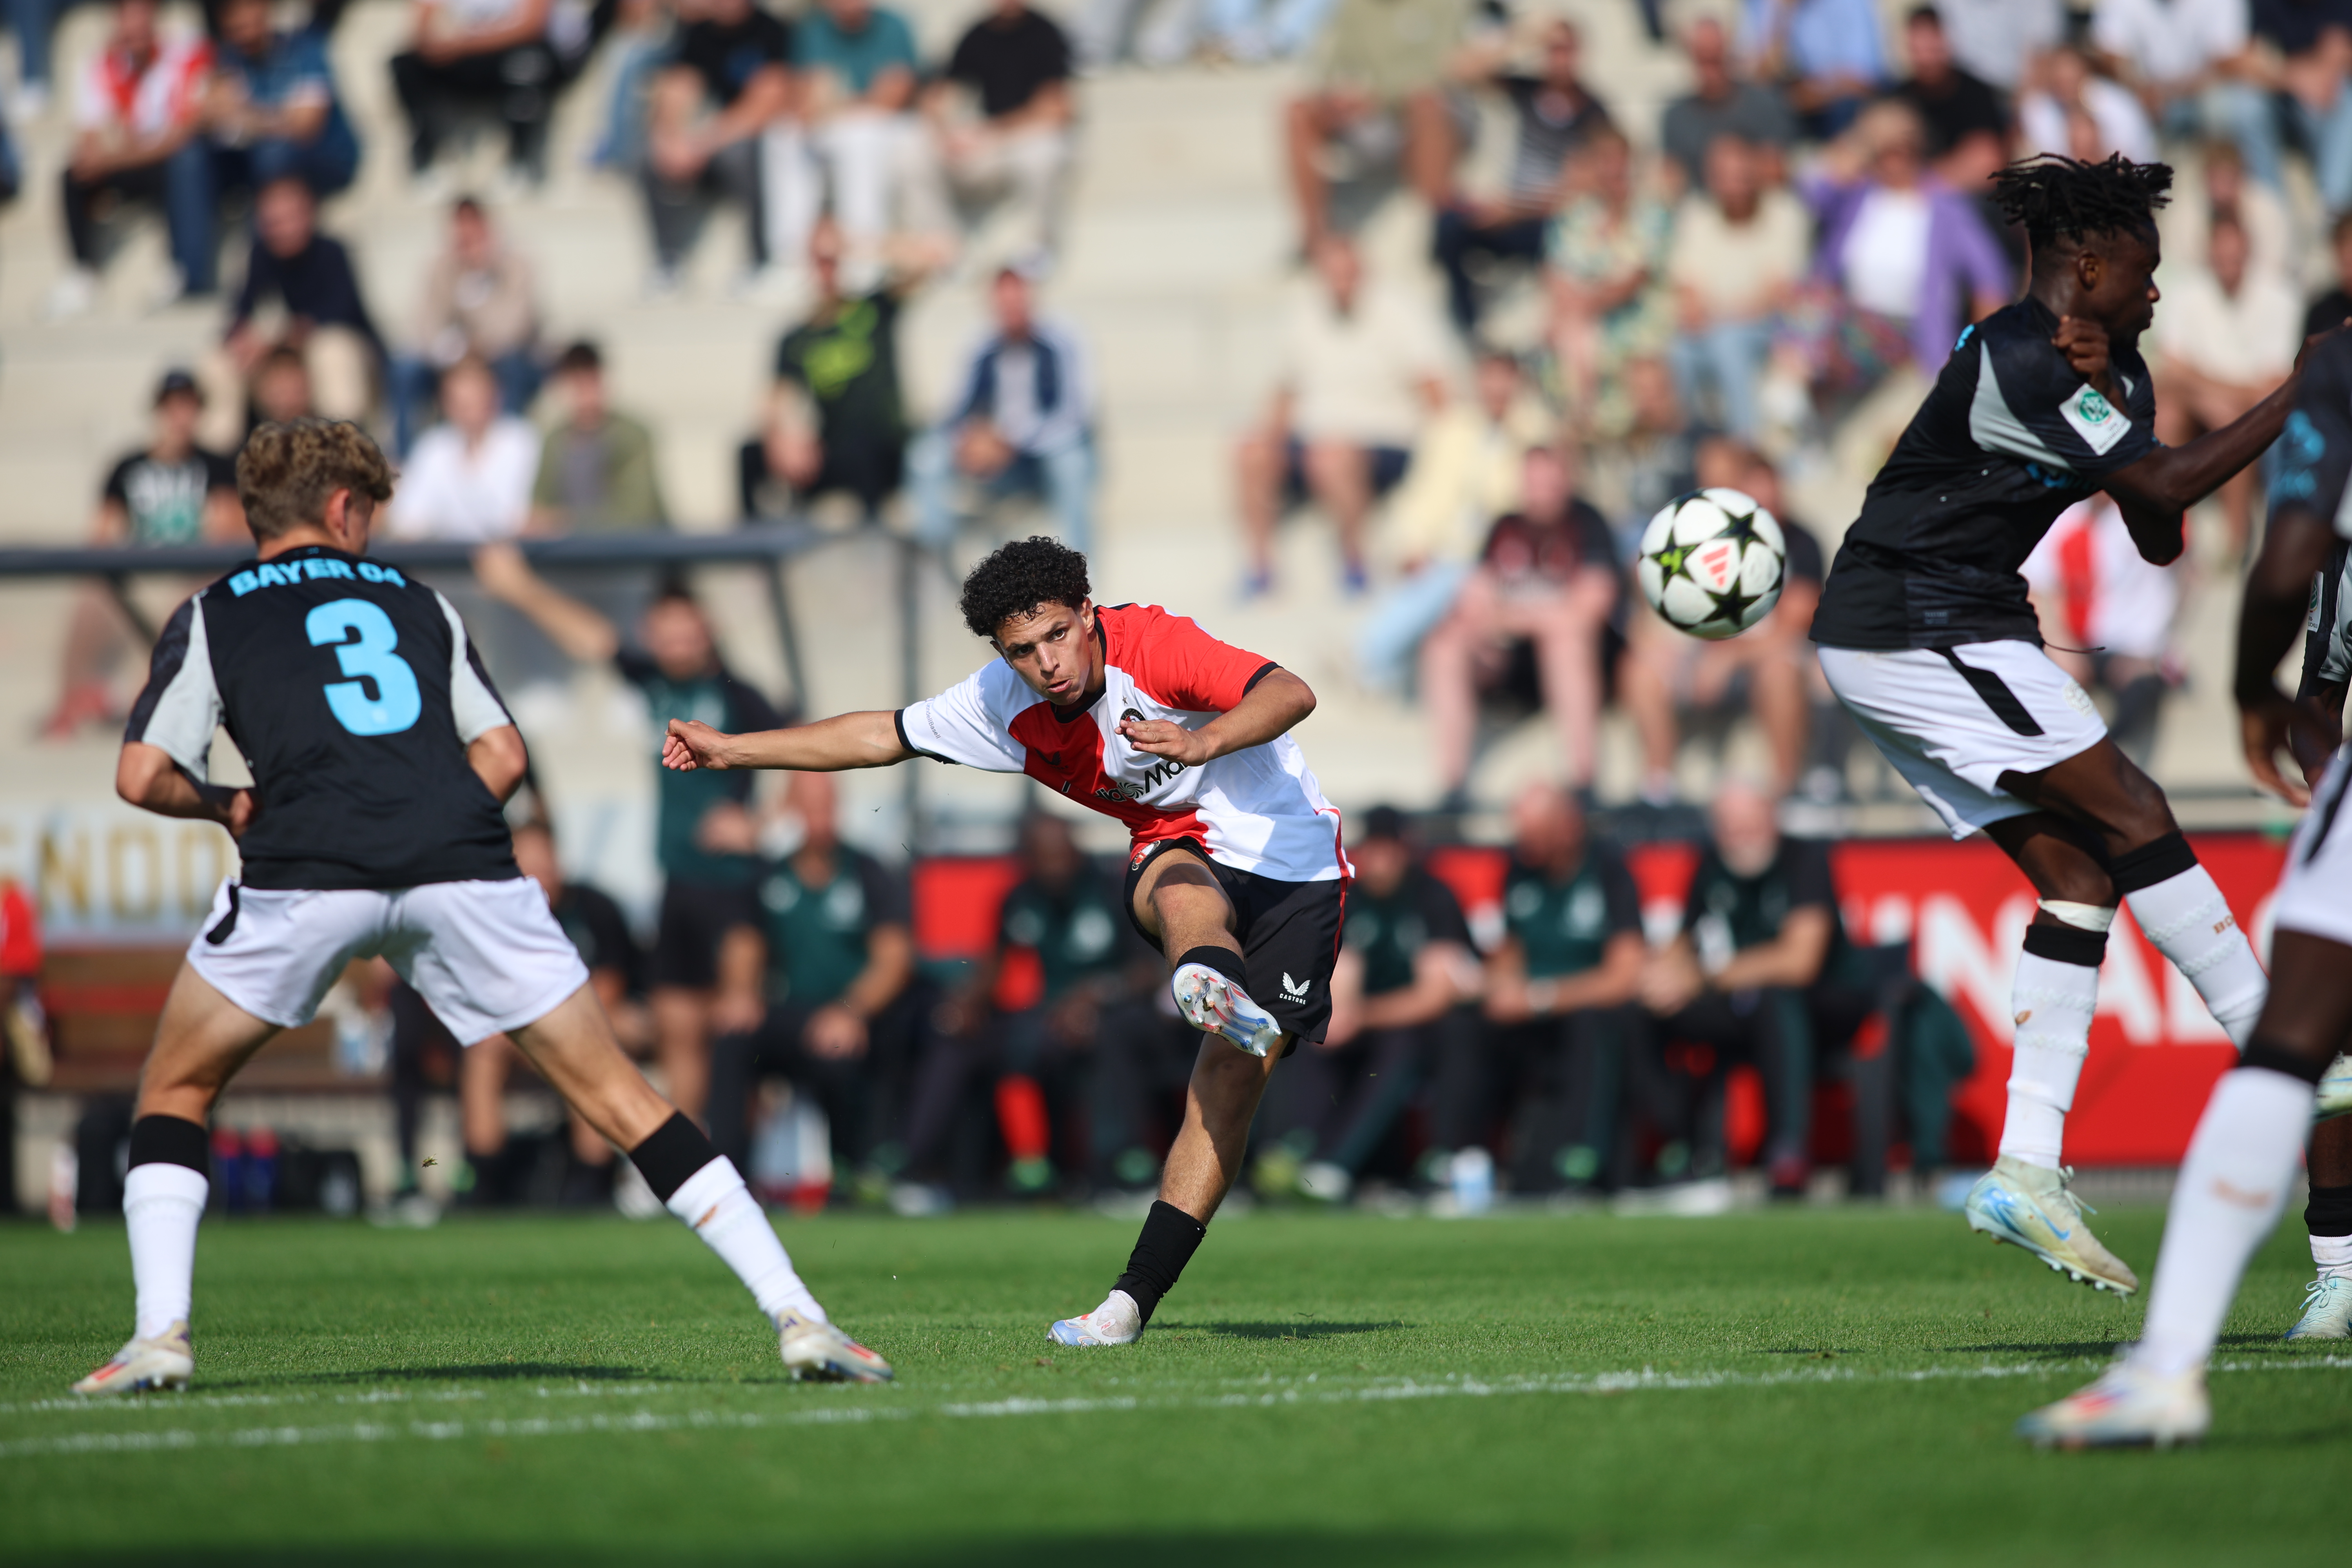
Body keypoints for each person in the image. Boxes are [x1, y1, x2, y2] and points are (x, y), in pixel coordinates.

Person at [70, 417, 888, 1399]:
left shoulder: (213, 611)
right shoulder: (420, 603)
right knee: (627, 1100)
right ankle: (801, 1315)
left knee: (176, 1090)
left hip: (305, 865)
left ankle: (161, 1335)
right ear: (344, 508)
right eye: (368, 513)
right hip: (462, 863)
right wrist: (424, 816)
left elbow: (139, 773)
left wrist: (227, 803)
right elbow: (502, 754)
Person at [1809, 153, 2307, 1298]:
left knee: (2081, 867)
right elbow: (2173, 491)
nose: (2154, 291)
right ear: (2086, 262)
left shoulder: (2090, 363)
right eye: (2141, 270)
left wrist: (2131, 396)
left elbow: (2153, 532)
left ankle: (2024, 1165)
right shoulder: (2024, 358)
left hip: (1929, 626)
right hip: (1920, 622)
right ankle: (2286, 1054)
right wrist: (2299, 393)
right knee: (2136, 808)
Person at [659, 535, 1346, 1349]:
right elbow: (881, 734)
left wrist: (1200, 740)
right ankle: (1200, 995)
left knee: (1228, 1092)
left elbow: (1290, 693)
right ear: (1001, 652)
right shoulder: (1000, 702)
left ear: (1088, 615)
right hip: (1179, 842)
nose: (1048, 661)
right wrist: (735, 749)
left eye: (1058, 633)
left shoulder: (1155, 646)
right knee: (1176, 880)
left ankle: (1210, 998)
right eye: (1022, 649)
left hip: (1296, 862)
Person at [2015, 321, 2352, 1446]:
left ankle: (2168, 1371)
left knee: (2295, 1036)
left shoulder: (2340, 361)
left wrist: (2254, 688)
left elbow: (2295, 554)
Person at [471, 544, 788, 1124]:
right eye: (664, 635)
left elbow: (809, 755)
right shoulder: (655, 687)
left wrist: (761, 823)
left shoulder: (739, 696)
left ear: (707, 630)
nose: (676, 645)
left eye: (686, 633)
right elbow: (591, 640)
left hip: (732, 889)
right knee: (678, 1033)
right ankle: (697, 1168)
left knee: (735, 1029)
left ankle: (742, 1160)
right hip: (678, 885)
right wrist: (518, 588)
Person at [899, 811, 1140, 1198]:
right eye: (1045, 857)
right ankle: (916, 1169)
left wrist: (1095, 994)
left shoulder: (1112, 889)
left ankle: (1115, 1172)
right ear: (1029, 858)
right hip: (1047, 1019)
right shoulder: (1021, 897)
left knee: (1098, 1035)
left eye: (1062, 854)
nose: (1056, 866)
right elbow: (993, 967)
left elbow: (1148, 968)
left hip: (1114, 1013)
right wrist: (964, 1003)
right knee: (956, 1041)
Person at [706, 771, 915, 1189]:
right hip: (791, 1012)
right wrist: (740, 992)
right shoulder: (767, 874)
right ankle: (729, 1182)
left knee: (838, 1050)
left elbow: (894, 959)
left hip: (853, 1012)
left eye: (827, 805)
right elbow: (743, 943)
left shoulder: (868, 871)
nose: (820, 816)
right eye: (809, 805)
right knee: (734, 1036)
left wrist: (850, 1011)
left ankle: (850, 1172)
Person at [1638, 782, 1847, 1193]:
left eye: (1749, 826)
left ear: (1772, 819)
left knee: (1776, 999)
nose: (1741, 838)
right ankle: (1678, 1146)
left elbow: (1798, 963)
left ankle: (1787, 1150)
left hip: (1820, 1008)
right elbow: (1684, 940)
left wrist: (1701, 976)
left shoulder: (1805, 859)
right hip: (1737, 1005)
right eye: (1730, 829)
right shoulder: (1712, 863)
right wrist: (1660, 977)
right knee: (1644, 1010)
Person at [1261, 805, 1471, 1202]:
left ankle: (1336, 1164)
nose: (1380, 861)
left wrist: (1363, 1015)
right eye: (1373, 849)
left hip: (1418, 1027)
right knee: (1306, 1034)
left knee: (1404, 1045)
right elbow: (1344, 972)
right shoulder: (1350, 899)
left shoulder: (1433, 897)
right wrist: (1339, 1015)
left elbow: (1436, 994)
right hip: (1365, 1022)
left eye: (1389, 850)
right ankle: (1293, 1149)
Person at [1234, 234, 1452, 595]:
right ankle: (1259, 569)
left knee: (1331, 456)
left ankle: (1355, 563)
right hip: (1316, 438)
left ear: (1363, 271)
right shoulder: (1306, 312)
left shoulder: (1400, 311)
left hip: (1386, 439)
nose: (1340, 282)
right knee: (1248, 451)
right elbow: (1286, 388)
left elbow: (1433, 388)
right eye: (1331, 273)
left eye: (1347, 273)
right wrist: (1268, 439)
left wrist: (1443, 453)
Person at [1453, 784, 1642, 1193]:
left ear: (1569, 828)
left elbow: (1624, 976)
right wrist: (1490, 983)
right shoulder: (1520, 869)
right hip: (1533, 1022)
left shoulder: (1609, 869)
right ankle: (1460, 1161)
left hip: (1590, 1016)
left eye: (1537, 835)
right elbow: (1512, 956)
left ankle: (1583, 1159)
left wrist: (1542, 998)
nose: (1527, 846)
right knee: (1463, 1024)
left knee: (1591, 1024)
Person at [457, 818, 648, 1207]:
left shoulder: (594, 907)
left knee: (584, 1045)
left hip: (597, 1023)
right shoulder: (494, 919)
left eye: (548, 860)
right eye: (532, 863)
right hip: (527, 1030)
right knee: (484, 1048)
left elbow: (609, 989)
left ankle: (591, 1180)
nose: (543, 872)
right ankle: (483, 1178)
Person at [1619, 443, 1824, 804]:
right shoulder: (1703, 540)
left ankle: (1788, 791)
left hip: (1762, 663)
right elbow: (1662, 605)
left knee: (1781, 671)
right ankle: (1658, 792)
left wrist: (1730, 657)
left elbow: (1795, 623)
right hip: (1702, 657)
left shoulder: (1801, 542)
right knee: (1638, 670)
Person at [44, 369, 242, 738]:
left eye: (189, 406)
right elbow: (103, 535)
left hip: (191, 571)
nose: (181, 416)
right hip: (138, 569)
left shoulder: (216, 466)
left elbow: (225, 530)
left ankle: (139, 704)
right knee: (92, 598)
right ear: (159, 411)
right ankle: (70, 704)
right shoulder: (128, 466)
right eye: (173, 406)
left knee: (187, 599)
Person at [1420, 442, 1618, 807]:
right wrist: (1524, 617)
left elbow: (1591, 607)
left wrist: (1512, 615)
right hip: (1510, 661)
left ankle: (1584, 779)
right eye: (1534, 483)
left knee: (1566, 640)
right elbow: (1474, 602)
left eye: (1551, 483)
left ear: (1567, 482)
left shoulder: (1589, 524)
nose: (1542, 493)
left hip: (1580, 663)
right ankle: (1452, 786)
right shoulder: (1504, 526)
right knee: (1444, 645)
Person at [1356, 348, 1553, 694]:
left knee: (1449, 579)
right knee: (1435, 578)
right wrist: (1412, 544)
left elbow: (1525, 505)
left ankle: (1369, 659)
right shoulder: (1450, 427)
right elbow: (1420, 495)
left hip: (1498, 557)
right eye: (1489, 378)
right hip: (1446, 550)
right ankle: (1381, 667)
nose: (1497, 389)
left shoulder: (1536, 434)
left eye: (1505, 379)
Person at [1431, 16, 1612, 336]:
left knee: (1562, 242)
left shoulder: (1593, 112)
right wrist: (1526, 40)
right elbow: (1458, 71)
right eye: (1553, 49)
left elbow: (1579, 191)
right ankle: (1466, 323)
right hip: (1507, 212)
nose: (1560, 58)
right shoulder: (1526, 90)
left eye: (1566, 49)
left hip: (1546, 222)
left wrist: (1513, 209)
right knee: (1448, 223)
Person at [909, 264, 1096, 555]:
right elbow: (954, 410)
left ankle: (1083, 572)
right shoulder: (979, 346)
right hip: (992, 457)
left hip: (1041, 455)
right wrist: (970, 440)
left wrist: (1011, 439)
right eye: (1003, 303)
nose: (1011, 310)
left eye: (1017, 301)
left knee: (1072, 464)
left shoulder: (1062, 339)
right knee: (927, 458)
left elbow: (1074, 413)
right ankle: (935, 563)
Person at [49, 0, 213, 319]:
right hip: (134, 162)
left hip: (171, 165)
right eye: (127, 15)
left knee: (185, 164)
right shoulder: (101, 65)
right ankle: (82, 274)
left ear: (156, 17)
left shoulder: (186, 54)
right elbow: (89, 138)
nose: (135, 24)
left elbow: (181, 135)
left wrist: (115, 156)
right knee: (73, 174)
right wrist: (103, 155)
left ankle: (183, 265)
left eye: (143, 13)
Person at [739, 221, 911, 522]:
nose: (827, 270)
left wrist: (858, 246)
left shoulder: (874, 309)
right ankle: (755, 552)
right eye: (819, 261)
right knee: (749, 454)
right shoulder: (797, 337)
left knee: (863, 445)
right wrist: (780, 438)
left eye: (832, 261)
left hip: (883, 446)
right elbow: (775, 398)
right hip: (834, 449)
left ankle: (875, 540)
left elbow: (931, 258)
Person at [2153, 212, 2302, 554]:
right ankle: (2173, 534)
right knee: (2169, 414)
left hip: (2250, 415)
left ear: (2248, 251)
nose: (2228, 264)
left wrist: (2213, 393)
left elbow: (2275, 387)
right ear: (2209, 254)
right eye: (2221, 256)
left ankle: (2235, 544)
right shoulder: (2187, 292)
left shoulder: (2279, 296)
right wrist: (2220, 397)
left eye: (2233, 256)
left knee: (2231, 420)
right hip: (2204, 409)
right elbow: (2170, 371)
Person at [202, 176, 382, 446]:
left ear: (310, 213)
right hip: (283, 353)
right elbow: (239, 314)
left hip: (346, 358)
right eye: (273, 221)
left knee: (332, 351)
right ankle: (219, 464)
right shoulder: (260, 254)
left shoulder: (333, 252)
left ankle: (346, 448)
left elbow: (338, 313)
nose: (282, 228)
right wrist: (244, 341)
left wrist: (276, 337)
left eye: (289, 218)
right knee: (219, 362)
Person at [1283, 0, 1472, 254]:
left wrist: (1378, 95)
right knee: (1297, 110)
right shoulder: (1355, 8)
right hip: (1377, 117)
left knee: (1425, 103)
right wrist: (1341, 96)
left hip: (1439, 110)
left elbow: (1449, 69)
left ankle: (1440, 231)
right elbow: (1331, 68)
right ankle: (1315, 235)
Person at [777, 0, 935, 291]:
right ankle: (790, 258)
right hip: (839, 123)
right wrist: (815, 110)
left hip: (890, 126)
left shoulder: (894, 26)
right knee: (783, 136)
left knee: (859, 135)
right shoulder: (813, 30)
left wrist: (838, 105)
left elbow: (894, 95)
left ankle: (863, 259)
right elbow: (806, 93)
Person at [641, 0, 792, 294]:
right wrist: (670, 138)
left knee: (746, 154)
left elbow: (769, 99)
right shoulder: (698, 34)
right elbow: (678, 87)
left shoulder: (771, 30)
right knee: (651, 156)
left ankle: (759, 259)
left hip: (744, 135)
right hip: (706, 134)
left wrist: (706, 140)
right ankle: (668, 262)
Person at [1664, 134, 1808, 439]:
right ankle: (1687, 443)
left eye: (1742, 174)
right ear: (1711, 178)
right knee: (1678, 351)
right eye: (1725, 176)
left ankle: (1745, 443)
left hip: (1769, 326)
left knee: (1728, 343)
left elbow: (1777, 292)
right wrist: (1694, 313)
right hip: (1714, 323)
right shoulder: (1696, 214)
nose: (1735, 184)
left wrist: (1717, 317)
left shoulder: (1785, 213)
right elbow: (1687, 285)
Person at [2021, 493, 2179, 765]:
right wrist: (2062, 648)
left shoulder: (2143, 519)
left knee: (2143, 686)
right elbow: (2038, 589)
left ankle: (2107, 759)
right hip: (2076, 645)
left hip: (2133, 648)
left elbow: (2172, 586)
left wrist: (2151, 649)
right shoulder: (2061, 521)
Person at [387, 197, 543, 456]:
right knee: (406, 370)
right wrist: (453, 347)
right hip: (453, 360)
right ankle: (406, 460)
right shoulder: (442, 266)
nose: (468, 238)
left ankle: (500, 458)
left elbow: (514, 328)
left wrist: (480, 280)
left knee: (513, 368)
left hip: (501, 360)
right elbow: (425, 325)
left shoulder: (515, 266)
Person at [927, 0, 1075, 269]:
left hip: (1024, 137)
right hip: (990, 143)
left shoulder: (1046, 32)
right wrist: (948, 133)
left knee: (1042, 152)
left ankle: (1038, 249)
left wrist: (988, 132)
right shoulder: (976, 34)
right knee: (913, 150)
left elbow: (1057, 108)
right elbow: (940, 94)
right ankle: (942, 250)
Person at [1544, 127, 1672, 426]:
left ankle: (1590, 419)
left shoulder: (1652, 214)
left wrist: (1581, 308)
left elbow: (1631, 283)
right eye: (1605, 160)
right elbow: (1556, 273)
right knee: (1564, 338)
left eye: (1620, 161)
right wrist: (1571, 309)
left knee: (1581, 340)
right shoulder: (1576, 215)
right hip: (1580, 319)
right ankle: (1579, 425)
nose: (1614, 169)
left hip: (1636, 319)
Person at [198, 0, 359, 213]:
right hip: (261, 156)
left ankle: (267, 237)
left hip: (328, 158)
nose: (240, 20)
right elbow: (210, 117)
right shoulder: (228, 61)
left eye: (246, 8)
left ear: (265, 8)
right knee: (194, 156)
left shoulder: (305, 48)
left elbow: (306, 125)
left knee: (273, 152)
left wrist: (247, 117)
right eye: (230, 14)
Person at [388, 0, 558, 184]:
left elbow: (532, 27)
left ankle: (520, 160)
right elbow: (420, 31)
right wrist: (438, 46)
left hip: (503, 55)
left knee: (528, 62)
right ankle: (425, 158)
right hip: (458, 58)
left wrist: (464, 44)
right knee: (405, 65)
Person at [385, 356, 541, 541]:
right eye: (461, 403)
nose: (470, 411)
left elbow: (519, 520)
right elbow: (406, 520)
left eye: (477, 399)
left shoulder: (522, 440)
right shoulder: (432, 446)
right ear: (447, 404)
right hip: (444, 561)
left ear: (495, 396)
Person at [530, 340, 670, 535]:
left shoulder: (634, 436)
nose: (586, 394)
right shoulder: (554, 441)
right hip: (572, 554)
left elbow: (636, 515)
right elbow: (540, 506)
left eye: (591, 381)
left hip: (630, 554)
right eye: (577, 383)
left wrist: (565, 522)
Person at [1659, 14, 1797, 192]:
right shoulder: (1675, 118)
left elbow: (1777, 171)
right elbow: (1673, 182)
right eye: (1703, 59)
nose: (1710, 70)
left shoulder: (1763, 103)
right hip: (1702, 212)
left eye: (1715, 58)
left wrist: (1735, 166)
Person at [1741, 0, 1886, 139]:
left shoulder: (1850, 4)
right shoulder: (1762, 5)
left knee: (1849, 108)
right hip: (1791, 103)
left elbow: (1864, 80)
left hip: (1833, 106)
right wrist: (1781, 16)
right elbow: (1759, 80)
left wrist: (1809, 95)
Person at [1893, 5, 2007, 181]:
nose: (1927, 58)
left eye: (1932, 47)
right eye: (1919, 49)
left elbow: (1988, 161)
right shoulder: (1897, 100)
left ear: (1946, 41)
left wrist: (1923, 181)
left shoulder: (1976, 93)